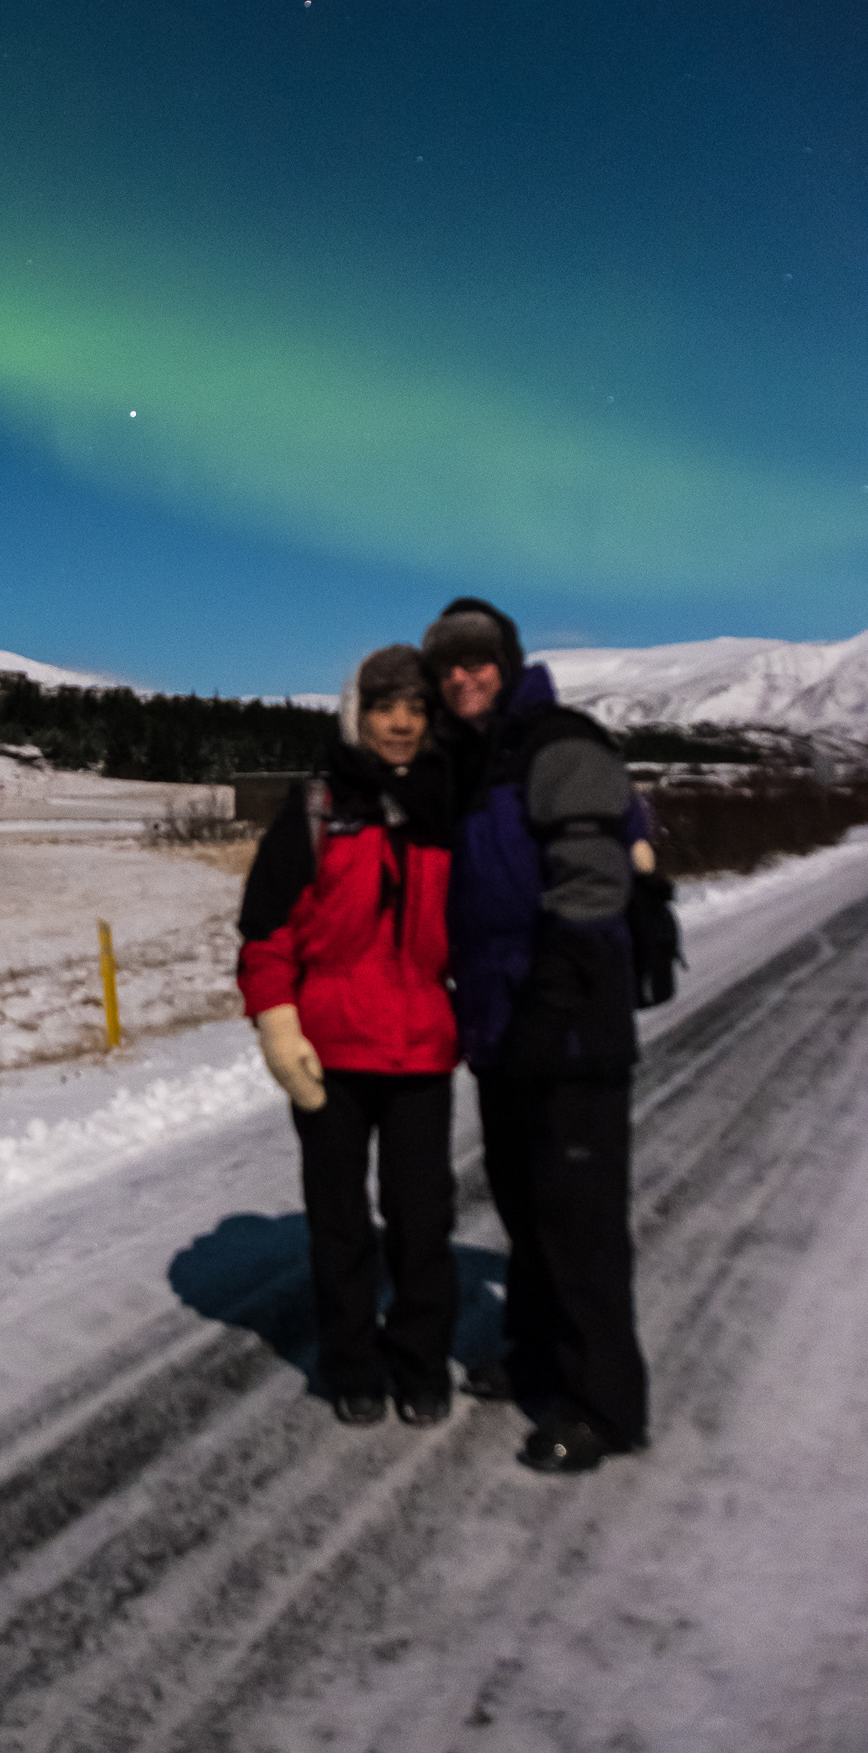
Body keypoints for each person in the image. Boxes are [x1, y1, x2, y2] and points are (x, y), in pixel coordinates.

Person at [421, 596, 649, 1473]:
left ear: (507, 664)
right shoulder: (478, 759)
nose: (460, 677)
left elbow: (589, 886)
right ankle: (535, 1357)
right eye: (446, 665)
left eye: (476, 660)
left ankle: (604, 1404)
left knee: (579, 1221)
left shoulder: (559, 742)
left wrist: (549, 1007)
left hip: (565, 1028)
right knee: (525, 1208)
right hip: (501, 1024)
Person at [238, 644, 459, 1426]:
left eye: (414, 709)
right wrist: (276, 1024)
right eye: (383, 707)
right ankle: (352, 1364)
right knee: (338, 1224)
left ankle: (421, 1361)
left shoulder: (447, 810)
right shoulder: (317, 808)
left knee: (423, 1220)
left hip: (422, 1050)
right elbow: (264, 935)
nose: (399, 724)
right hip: (327, 1054)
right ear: (355, 714)